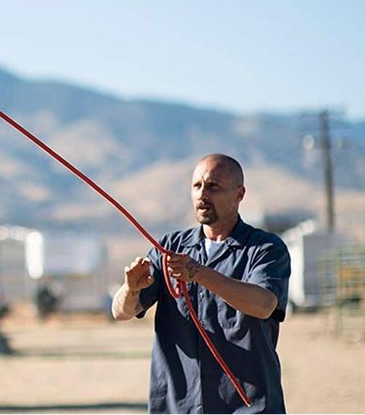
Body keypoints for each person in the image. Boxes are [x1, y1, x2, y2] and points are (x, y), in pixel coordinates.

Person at [112, 154, 291, 413]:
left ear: (239, 194)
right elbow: (120, 312)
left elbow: (263, 305)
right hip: (179, 406)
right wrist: (131, 288)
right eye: (197, 186)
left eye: (213, 186)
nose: (202, 194)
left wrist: (198, 273)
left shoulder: (264, 249)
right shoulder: (170, 248)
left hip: (247, 407)